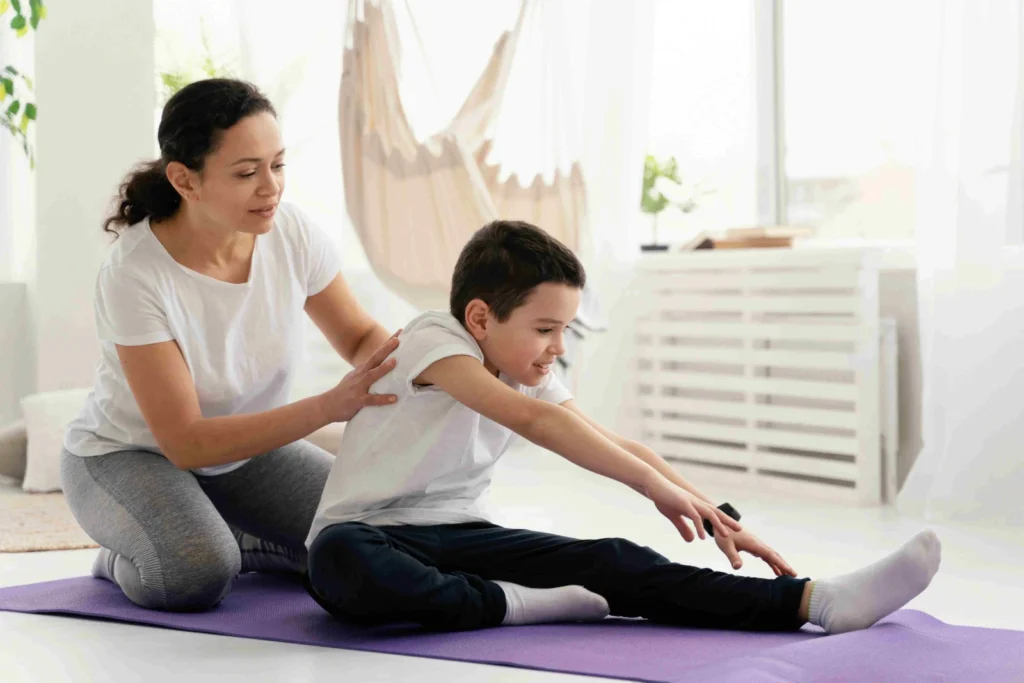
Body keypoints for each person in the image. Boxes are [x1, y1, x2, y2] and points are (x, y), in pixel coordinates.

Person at [304, 220, 942, 634]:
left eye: (565, 330)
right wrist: (650, 488)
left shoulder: (524, 366)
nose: (557, 347)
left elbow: (615, 444)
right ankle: (515, 604)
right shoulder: (431, 340)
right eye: (545, 329)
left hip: (460, 536)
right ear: (479, 318)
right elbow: (533, 421)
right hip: (369, 534)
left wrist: (715, 514)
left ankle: (815, 602)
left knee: (614, 558)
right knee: (339, 560)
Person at [60, 78, 401, 612]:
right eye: (246, 173)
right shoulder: (135, 273)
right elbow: (186, 443)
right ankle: (130, 555)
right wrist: (329, 406)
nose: (271, 188)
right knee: (194, 571)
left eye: (278, 165)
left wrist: (429, 369)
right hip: (129, 456)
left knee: (380, 537)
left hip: (244, 454)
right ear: (184, 180)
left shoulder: (291, 233)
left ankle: (238, 538)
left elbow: (359, 337)